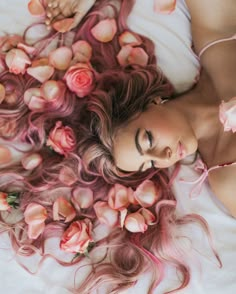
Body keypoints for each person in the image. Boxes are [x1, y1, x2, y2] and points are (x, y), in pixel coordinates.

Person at [0, 0, 233, 293]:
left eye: (147, 139)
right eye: (149, 164)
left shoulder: (216, 38)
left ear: (150, 104)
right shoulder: (228, 177)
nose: (163, 156)